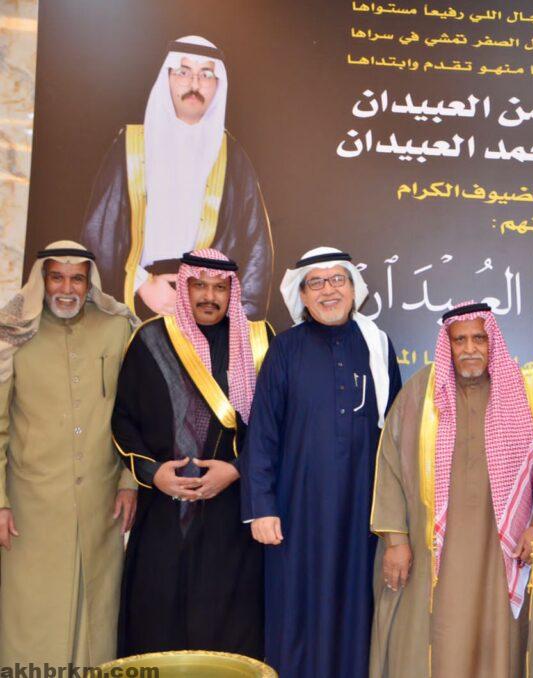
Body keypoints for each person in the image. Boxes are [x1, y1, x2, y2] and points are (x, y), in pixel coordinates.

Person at [368, 301, 533, 678]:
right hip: (433, 553)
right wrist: (395, 539)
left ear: (493, 342)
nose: (470, 348)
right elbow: (389, 467)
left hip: (502, 552)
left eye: (479, 338)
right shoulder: (420, 394)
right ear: (448, 345)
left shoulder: (526, 393)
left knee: (497, 639)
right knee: (437, 638)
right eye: (460, 340)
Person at [241, 246, 401, 678]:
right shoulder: (285, 349)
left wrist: (394, 521)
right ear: (303, 294)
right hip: (295, 514)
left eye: (337, 280)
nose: (329, 290)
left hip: (360, 515)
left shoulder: (377, 347)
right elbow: (263, 433)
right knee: (295, 616)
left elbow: (396, 439)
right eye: (317, 283)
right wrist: (261, 507)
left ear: (353, 288)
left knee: (356, 616)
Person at [112, 248, 270, 657]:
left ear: (232, 292)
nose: (209, 297)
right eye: (200, 285)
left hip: (233, 514)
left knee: (227, 631)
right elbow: (123, 419)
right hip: (163, 511)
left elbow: (276, 427)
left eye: (220, 288)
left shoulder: (259, 342)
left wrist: (236, 470)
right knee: (156, 624)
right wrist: (154, 474)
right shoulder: (150, 339)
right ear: (184, 287)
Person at [0, 241, 136, 666]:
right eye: (56, 277)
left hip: (101, 503)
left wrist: (129, 482)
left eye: (77, 279)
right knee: (32, 617)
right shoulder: (13, 332)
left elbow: (133, 412)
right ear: (42, 279)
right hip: (31, 507)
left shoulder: (117, 328)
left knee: (97, 615)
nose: (66, 288)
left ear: (89, 282)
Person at [81, 35, 272, 319]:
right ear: (167, 77)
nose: (194, 84)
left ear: (218, 84)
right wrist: (141, 284)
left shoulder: (232, 155)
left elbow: (256, 247)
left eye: (205, 74)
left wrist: (238, 320)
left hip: (208, 308)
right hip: (137, 300)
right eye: (184, 72)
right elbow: (100, 234)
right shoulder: (131, 145)